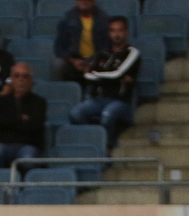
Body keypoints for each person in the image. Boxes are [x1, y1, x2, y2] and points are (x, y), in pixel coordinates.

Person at [68, 16, 140, 151]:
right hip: (98, 99)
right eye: (113, 31)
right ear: (109, 33)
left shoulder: (132, 53)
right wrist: (108, 77)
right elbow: (87, 75)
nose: (116, 34)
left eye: (120, 30)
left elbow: (117, 74)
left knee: (108, 114)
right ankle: (93, 142)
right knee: (75, 113)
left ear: (126, 32)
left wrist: (98, 75)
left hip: (120, 101)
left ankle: (107, 147)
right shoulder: (102, 53)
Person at [0, 62, 47, 168]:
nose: (20, 80)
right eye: (17, 76)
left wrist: (9, 120)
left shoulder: (40, 102)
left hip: (28, 145)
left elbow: (35, 126)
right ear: (11, 80)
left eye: (25, 76)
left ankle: (25, 184)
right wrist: (20, 118)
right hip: (4, 144)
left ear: (31, 81)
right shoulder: (0, 101)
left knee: (28, 157)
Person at [54, 0, 112, 85]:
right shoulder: (67, 18)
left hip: (96, 60)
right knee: (57, 64)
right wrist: (73, 60)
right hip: (73, 60)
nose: (84, 1)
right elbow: (59, 48)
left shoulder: (105, 20)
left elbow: (107, 47)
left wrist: (92, 62)